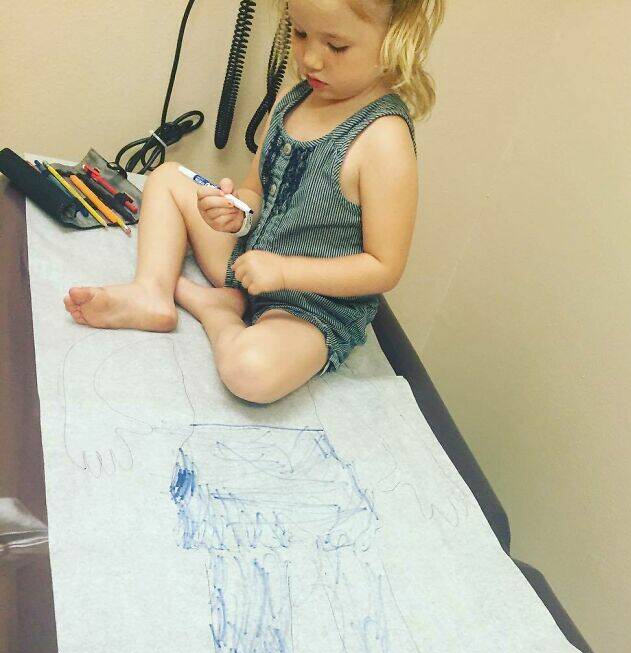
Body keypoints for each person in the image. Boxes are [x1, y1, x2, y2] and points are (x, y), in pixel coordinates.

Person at [64, 0, 445, 404]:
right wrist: (236, 212)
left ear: (395, 41)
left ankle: (218, 312)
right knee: (167, 176)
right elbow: (255, 190)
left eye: (336, 46)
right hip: (250, 261)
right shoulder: (294, 97)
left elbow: (383, 268)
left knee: (250, 372)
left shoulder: (384, 139)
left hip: (312, 305)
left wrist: (283, 272)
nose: (310, 59)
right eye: (300, 33)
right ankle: (151, 292)